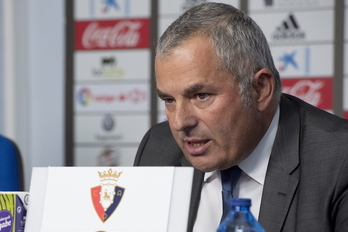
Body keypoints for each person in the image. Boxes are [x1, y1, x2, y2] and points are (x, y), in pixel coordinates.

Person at [134, 2, 348, 232]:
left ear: (260, 89)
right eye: (169, 100)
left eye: (201, 95)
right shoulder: (157, 149)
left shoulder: (339, 159)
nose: (178, 123)